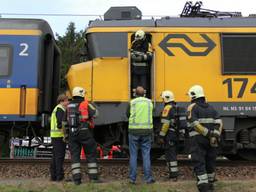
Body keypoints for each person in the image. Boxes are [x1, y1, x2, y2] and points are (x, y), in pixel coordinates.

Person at [187, 85, 223, 192]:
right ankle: (210, 184)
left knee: (199, 161)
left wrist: (208, 134)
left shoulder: (192, 107)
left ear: (193, 95)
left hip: (198, 140)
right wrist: (215, 135)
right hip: (212, 141)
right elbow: (219, 122)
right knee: (210, 161)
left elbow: (194, 124)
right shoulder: (211, 108)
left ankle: (203, 186)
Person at [66, 86, 100, 185]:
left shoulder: (68, 106)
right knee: (90, 154)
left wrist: (66, 135)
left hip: (72, 134)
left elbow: (64, 122)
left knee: (75, 156)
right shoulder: (86, 104)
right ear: (81, 94)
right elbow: (96, 114)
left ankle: (77, 180)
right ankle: (93, 178)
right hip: (85, 133)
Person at [126, 86, 155, 184]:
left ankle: (132, 179)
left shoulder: (132, 102)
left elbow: (127, 114)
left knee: (133, 155)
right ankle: (148, 179)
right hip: (146, 132)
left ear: (135, 94)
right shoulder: (149, 102)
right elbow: (152, 112)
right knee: (146, 155)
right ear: (144, 93)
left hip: (133, 131)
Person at [158, 90, 179, 181]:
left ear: (166, 98)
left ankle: (173, 175)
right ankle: (173, 174)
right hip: (174, 134)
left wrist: (161, 136)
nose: (162, 100)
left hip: (169, 135)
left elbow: (165, 124)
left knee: (170, 155)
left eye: (163, 98)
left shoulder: (167, 108)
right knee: (172, 154)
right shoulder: (175, 107)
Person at [50, 93, 69, 182]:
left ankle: (54, 176)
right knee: (59, 157)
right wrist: (66, 132)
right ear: (62, 101)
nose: (68, 102)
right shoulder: (60, 109)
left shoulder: (57, 108)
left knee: (55, 157)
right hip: (59, 136)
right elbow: (59, 124)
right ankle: (59, 177)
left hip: (55, 136)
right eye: (67, 100)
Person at [130, 30, 153, 96]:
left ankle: (144, 99)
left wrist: (141, 58)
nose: (138, 41)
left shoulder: (148, 44)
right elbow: (130, 52)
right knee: (134, 87)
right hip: (134, 69)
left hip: (144, 70)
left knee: (144, 87)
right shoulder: (133, 43)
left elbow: (150, 55)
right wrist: (133, 56)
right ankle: (135, 98)